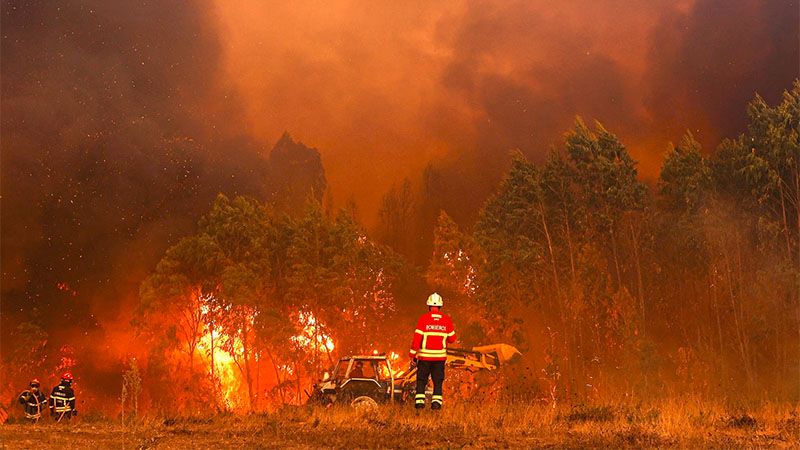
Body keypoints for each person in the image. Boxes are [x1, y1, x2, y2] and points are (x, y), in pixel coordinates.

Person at [409, 292, 456, 410]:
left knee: (421, 381)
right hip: (439, 359)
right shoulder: (446, 320)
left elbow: (416, 340)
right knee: (438, 382)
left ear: (429, 306)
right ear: (440, 306)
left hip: (424, 358)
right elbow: (452, 339)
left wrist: (412, 355)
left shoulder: (423, 319)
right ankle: (436, 405)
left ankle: (419, 404)